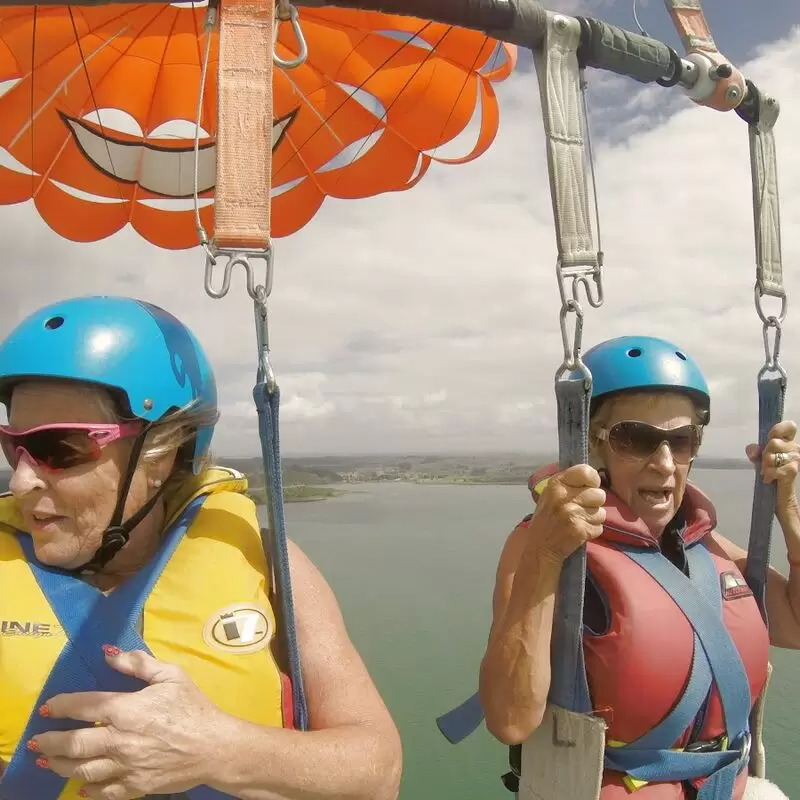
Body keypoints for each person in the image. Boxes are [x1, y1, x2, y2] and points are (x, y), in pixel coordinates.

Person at [0, 295, 402, 800]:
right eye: (11, 445)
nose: (20, 482)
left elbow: (378, 773)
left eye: (58, 448)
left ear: (161, 454)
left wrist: (216, 749)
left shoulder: (267, 565)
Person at [479, 336, 799, 800]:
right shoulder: (546, 548)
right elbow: (510, 718)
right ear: (595, 444)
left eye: (681, 440)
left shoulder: (704, 547)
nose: (664, 464)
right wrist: (545, 558)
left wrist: (788, 509)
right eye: (637, 440)